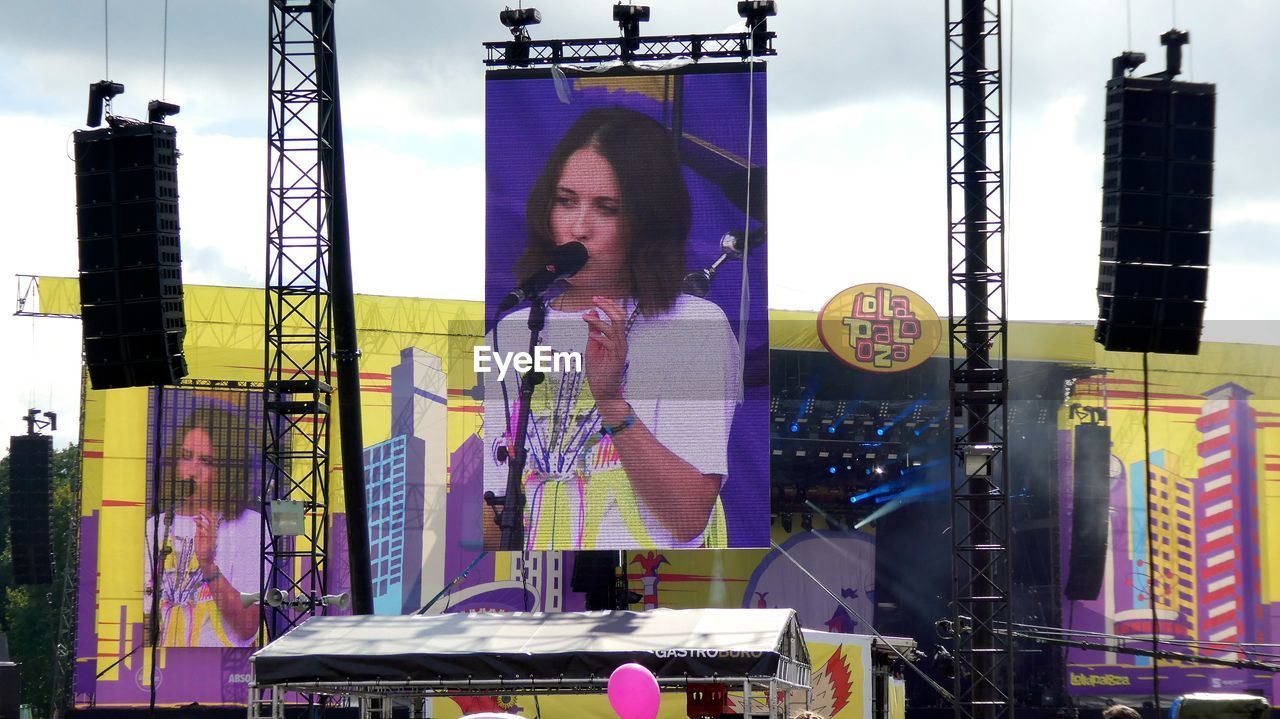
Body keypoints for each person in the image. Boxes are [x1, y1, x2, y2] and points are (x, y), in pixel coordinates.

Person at [484, 106, 740, 551]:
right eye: (565, 201)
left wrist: (610, 401)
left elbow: (688, 517)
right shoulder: (511, 331)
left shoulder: (696, 326)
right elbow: (489, 513)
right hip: (537, 597)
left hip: (659, 596)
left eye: (607, 208)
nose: (577, 228)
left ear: (649, 223)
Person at [144, 404, 260, 647]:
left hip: (225, 674)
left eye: (206, 461)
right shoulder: (153, 527)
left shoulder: (250, 526)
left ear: (229, 470)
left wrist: (208, 565)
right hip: (163, 671)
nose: (191, 471)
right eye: (186, 456)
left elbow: (248, 626)